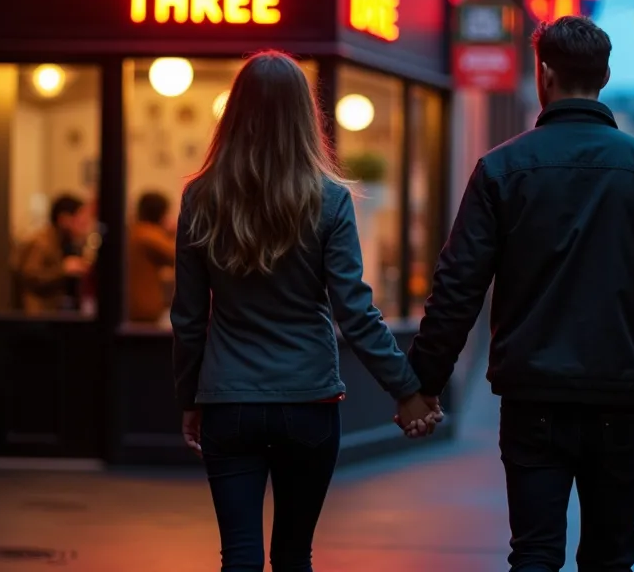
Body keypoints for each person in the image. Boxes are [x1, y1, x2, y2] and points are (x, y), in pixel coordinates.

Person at [405, 15, 634, 571]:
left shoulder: (501, 170)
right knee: (611, 554)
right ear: (603, 77)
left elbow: (458, 287)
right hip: (621, 397)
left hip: (533, 397)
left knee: (533, 552)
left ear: (544, 73)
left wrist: (424, 384)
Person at [170, 51, 442, 572]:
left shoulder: (200, 197)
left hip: (229, 400)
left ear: (235, 113)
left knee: (240, 556)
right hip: (309, 401)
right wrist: (407, 390)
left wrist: (190, 396)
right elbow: (355, 313)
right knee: (295, 555)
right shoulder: (330, 200)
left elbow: (187, 316)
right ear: (304, 115)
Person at [14, 194, 91, 314]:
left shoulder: (67, 242)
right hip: (40, 315)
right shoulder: (41, 242)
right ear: (64, 219)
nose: (85, 226)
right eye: (80, 221)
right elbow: (29, 276)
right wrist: (63, 269)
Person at [128, 191, 176, 323]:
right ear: (162, 214)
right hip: (144, 310)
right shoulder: (148, 234)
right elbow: (180, 256)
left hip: (134, 308)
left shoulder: (135, 231)